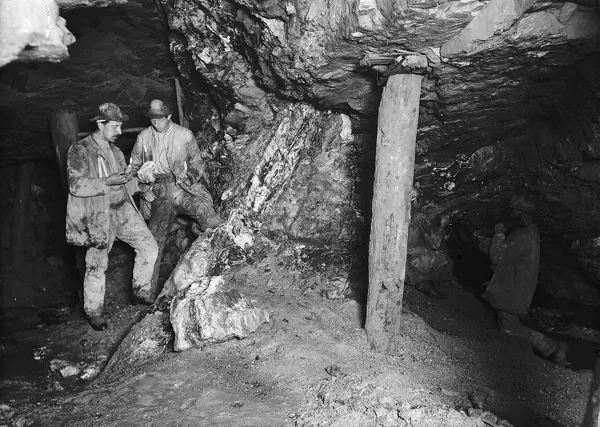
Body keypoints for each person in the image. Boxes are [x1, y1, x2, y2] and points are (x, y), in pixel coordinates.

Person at [66, 103, 159, 331]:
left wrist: (143, 180)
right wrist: (107, 181)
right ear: (100, 124)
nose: (119, 132)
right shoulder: (80, 150)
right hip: (100, 212)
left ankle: (141, 291)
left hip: (123, 208)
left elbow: (125, 185)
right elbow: (75, 185)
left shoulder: (116, 152)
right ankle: (95, 312)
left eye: (120, 127)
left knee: (149, 246)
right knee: (97, 265)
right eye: (115, 126)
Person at [129, 99, 222, 295]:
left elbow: (197, 161)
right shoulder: (143, 137)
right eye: (152, 119)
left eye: (160, 119)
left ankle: (207, 266)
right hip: (158, 191)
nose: (156, 123)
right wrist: (142, 184)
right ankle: (144, 291)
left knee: (210, 218)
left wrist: (191, 175)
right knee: (154, 240)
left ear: (169, 116)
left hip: (182, 189)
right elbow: (133, 168)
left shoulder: (184, 135)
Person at [478, 195, 568, 367]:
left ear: (522, 213)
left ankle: (555, 349)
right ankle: (542, 351)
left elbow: (498, 256)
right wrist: (487, 242)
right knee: (508, 326)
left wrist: (498, 234)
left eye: (514, 212)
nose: (511, 215)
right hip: (516, 287)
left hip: (512, 289)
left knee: (510, 328)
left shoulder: (522, 234)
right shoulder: (531, 234)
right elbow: (510, 255)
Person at [406, 186, 454, 299]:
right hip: (413, 261)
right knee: (444, 260)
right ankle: (424, 284)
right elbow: (434, 244)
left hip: (396, 257)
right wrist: (442, 226)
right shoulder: (419, 218)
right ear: (415, 201)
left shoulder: (393, 213)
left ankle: (423, 282)